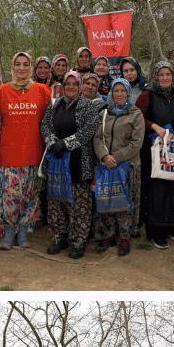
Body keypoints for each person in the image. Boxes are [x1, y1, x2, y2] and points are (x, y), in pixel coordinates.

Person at [0, 51, 51, 250]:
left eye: (26, 64)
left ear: (31, 67)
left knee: (30, 196)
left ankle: (23, 231)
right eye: (18, 64)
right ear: (12, 67)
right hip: (9, 153)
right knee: (9, 195)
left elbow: (48, 122)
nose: (22, 68)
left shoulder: (43, 91)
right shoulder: (1, 92)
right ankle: (8, 232)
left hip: (34, 152)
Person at [40, 71, 101, 258]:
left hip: (78, 163)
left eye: (75, 84)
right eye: (68, 84)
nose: (71, 88)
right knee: (56, 202)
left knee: (79, 204)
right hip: (57, 161)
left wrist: (65, 144)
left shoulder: (88, 107)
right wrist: (52, 142)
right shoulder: (55, 104)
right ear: (63, 86)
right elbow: (45, 125)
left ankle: (78, 239)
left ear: (80, 86)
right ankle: (60, 235)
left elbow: (88, 131)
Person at [90, 76, 144, 256]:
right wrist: (104, 156)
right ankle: (108, 234)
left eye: (123, 90)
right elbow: (97, 137)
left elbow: (136, 143)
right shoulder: (104, 113)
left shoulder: (136, 114)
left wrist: (116, 157)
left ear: (128, 93)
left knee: (124, 203)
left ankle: (124, 237)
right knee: (107, 201)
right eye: (116, 90)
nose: (119, 94)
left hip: (127, 165)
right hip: (106, 165)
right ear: (111, 92)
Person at [137, 61, 174, 248]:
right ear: (155, 77)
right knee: (156, 188)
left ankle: (172, 225)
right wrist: (153, 125)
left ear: (173, 77)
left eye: (168, 74)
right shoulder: (147, 94)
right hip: (153, 147)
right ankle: (156, 230)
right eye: (161, 75)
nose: (165, 78)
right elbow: (136, 115)